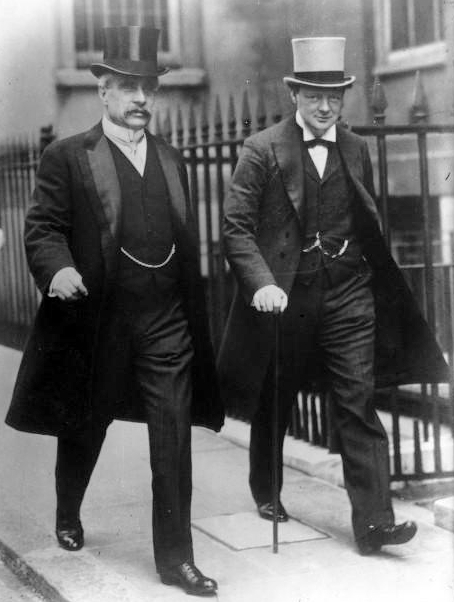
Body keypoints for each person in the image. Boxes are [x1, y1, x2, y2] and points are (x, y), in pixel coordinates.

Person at [5, 26, 223, 597]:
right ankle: (68, 510)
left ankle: (176, 559)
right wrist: (58, 270)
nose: (140, 99)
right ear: (102, 90)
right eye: (127, 86)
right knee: (84, 426)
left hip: (166, 324)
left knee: (172, 437)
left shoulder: (173, 160)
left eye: (147, 86)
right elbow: (43, 228)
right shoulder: (68, 157)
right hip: (97, 324)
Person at [218, 36, 449, 555]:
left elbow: (362, 217)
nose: (325, 107)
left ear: (344, 98)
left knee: (357, 402)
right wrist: (264, 285)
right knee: (277, 399)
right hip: (288, 295)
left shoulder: (354, 147)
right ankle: (266, 488)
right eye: (313, 95)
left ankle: (374, 524)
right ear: (293, 93)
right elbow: (235, 229)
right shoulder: (261, 150)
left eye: (335, 97)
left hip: (348, 293)